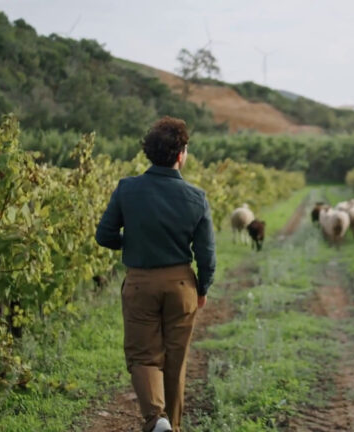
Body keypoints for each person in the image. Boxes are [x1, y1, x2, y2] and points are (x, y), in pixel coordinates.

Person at [95, 116, 216, 432]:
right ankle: (172, 426)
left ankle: (155, 418)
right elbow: (206, 254)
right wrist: (202, 288)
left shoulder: (127, 189)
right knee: (176, 361)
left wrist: (131, 241)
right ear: (181, 154)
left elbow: (104, 235)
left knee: (143, 356)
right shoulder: (197, 197)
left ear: (149, 153)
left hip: (140, 284)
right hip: (181, 285)